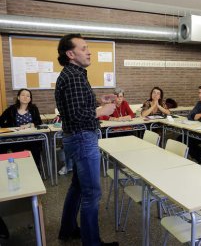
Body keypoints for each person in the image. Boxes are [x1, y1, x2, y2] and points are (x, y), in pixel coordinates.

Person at [55, 33, 117, 246]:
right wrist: (102, 110)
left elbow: (78, 107)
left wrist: (97, 103)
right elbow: (76, 115)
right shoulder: (73, 77)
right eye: (83, 48)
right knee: (92, 194)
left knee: (78, 187)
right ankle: (92, 243)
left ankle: (68, 230)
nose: (89, 51)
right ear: (71, 54)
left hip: (76, 138)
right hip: (82, 138)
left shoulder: (74, 74)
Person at [0, 88, 43, 166]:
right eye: (23, 95)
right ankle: (14, 168)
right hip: (16, 137)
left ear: (30, 99)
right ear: (18, 97)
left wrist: (28, 125)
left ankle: (36, 170)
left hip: (32, 137)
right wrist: (11, 127)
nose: (25, 97)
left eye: (28, 96)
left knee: (36, 148)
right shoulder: (12, 109)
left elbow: (38, 122)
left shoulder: (33, 108)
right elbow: (1, 120)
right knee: (9, 147)